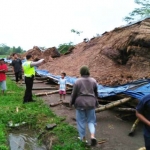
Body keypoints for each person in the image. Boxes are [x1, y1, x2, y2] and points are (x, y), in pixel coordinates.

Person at [70, 65, 98, 146]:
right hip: (91, 103)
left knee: (81, 121)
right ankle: (92, 136)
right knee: (91, 121)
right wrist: (96, 102)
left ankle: (83, 139)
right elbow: (96, 93)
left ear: (81, 72)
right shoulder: (93, 81)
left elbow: (74, 94)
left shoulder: (77, 81)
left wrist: (71, 103)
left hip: (80, 103)